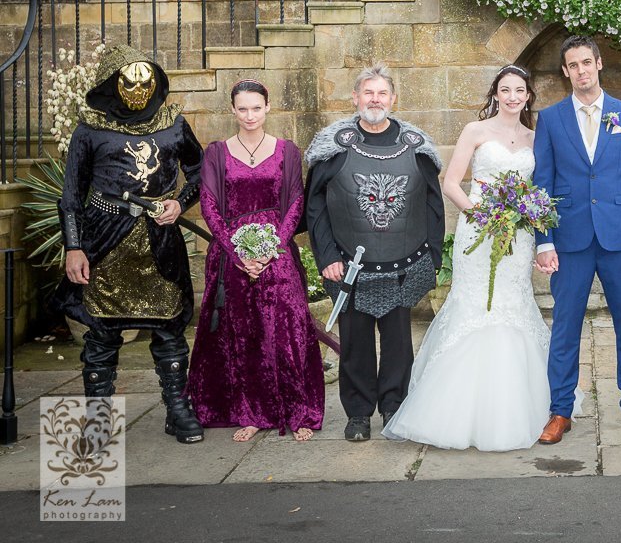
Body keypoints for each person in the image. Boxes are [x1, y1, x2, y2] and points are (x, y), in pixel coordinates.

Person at [384, 65, 557, 450]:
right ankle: (453, 409)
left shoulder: (536, 137)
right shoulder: (475, 132)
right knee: (477, 305)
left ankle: (522, 403)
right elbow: (450, 182)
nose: (512, 97)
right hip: (478, 230)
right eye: (505, 90)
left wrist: (526, 215)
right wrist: (483, 216)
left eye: (520, 91)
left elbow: (539, 186)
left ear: (528, 96)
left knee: (513, 304)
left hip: (517, 234)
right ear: (495, 93)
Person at [56, 44, 205, 443]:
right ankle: (98, 420)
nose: (139, 89)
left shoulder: (173, 124)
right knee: (102, 332)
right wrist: (74, 247)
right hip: (105, 237)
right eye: (129, 81)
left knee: (170, 329)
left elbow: (201, 171)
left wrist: (179, 203)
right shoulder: (90, 129)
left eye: (146, 81)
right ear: (112, 82)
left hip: (159, 238)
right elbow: (71, 195)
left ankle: (178, 410)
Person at [305, 64, 445, 442]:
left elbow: (433, 203)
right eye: (368, 93)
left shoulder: (416, 145)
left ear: (393, 99)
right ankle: (358, 415)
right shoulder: (334, 146)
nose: (375, 100)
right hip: (349, 267)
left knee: (399, 343)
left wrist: (433, 255)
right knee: (355, 344)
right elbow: (315, 206)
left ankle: (395, 409)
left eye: (382, 93)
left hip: (403, 262)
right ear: (355, 97)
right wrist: (328, 256)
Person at [532, 35, 621, 443]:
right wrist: (544, 240)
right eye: (574, 65)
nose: (582, 71)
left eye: (587, 62)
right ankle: (560, 410)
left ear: (599, 64)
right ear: (565, 71)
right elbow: (542, 183)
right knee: (565, 325)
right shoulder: (550, 119)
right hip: (569, 240)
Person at [187, 79, 324, 442]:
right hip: (230, 257)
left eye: (256, 107)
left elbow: (296, 203)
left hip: (276, 255)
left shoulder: (287, 151)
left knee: (289, 331)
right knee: (242, 335)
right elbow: (210, 206)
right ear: (232, 110)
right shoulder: (216, 152)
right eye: (242, 108)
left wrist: (270, 249)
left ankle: (299, 411)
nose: (250, 115)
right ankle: (251, 412)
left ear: (268, 108)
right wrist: (238, 253)